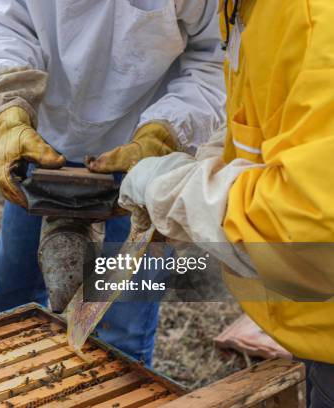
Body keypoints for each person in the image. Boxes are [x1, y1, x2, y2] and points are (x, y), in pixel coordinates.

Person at [0, 0, 226, 365]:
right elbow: (3, 22)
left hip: (143, 153)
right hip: (40, 141)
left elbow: (217, 55)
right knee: (10, 299)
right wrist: (10, 107)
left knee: (123, 332)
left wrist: (164, 131)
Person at [119, 0, 334, 405]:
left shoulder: (315, 18)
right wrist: (207, 161)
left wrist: (175, 193)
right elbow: (272, 124)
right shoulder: (249, 8)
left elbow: (307, 229)